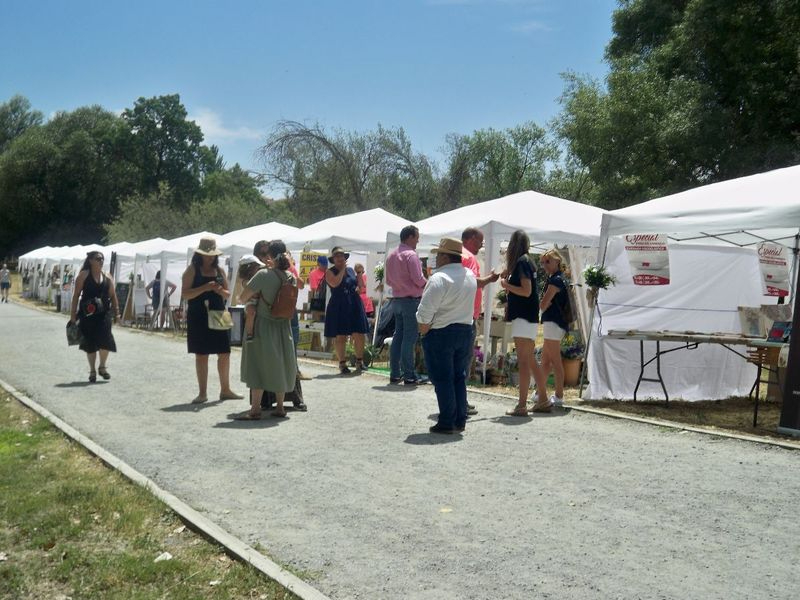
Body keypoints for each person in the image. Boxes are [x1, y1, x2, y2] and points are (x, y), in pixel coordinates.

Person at [416, 237, 477, 434]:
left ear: (444, 256)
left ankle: (446, 421)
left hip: (441, 332)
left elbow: (424, 314)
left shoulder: (439, 278)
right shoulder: (470, 275)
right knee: (459, 377)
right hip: (465, 329)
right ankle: (459, 420)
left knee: (442, 378)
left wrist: (424, 331)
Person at [236, 240, 298, 419]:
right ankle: (280, 407)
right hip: (283, 326)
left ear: (269, 256)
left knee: (257, 364)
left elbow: (242, 298)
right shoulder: (290, 277)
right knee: (280, 364)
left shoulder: (263, 275)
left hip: (263, 325)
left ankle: (255, 409)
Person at [181, 237, 243, 404]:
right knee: (201, 354)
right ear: (199, 254)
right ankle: (202, 393)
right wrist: (205, 288)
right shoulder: (192, 270)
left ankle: (225, 389)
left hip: (218, 313)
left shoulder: (220, 271)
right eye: (207, 255)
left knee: (224, 352)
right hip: (198, 315)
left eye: (212, 255)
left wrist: (219, 290)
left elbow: (228, 294)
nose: (210, 258)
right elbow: (185, 294)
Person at [499, 230, 550, 416]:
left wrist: (507, 286)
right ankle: (543, 399)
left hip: (523, 316)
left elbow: (526, 291)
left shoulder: (522, 262)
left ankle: (521, 405)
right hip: (527, 316)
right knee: (529, 360)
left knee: (524, 362)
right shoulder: (527, 261)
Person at [461, 227, 500, 414]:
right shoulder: (468, 257)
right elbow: (471, 281)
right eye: (480, 241)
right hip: (467, 315)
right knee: (464, 360)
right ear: (470, 239)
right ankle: (461, 401)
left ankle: (459, 399)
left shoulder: (461, 255)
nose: (481, 245)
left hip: (464, 313)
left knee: (462, 360)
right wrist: (490, 279)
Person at [385, 225, 428, 385]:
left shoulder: (391, 255)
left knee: (399, 336)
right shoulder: (411, 255)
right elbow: (418, 279)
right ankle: (409, 375)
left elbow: (388, 280)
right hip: (410, 301)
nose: (418, 240)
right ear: (410, 237)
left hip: (396, 300)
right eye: (417, 237)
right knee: (409, 338)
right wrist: (429, 284)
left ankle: (395, 373)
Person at [69, 251, 119, 382]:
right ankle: (92, 370)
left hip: (104, 315)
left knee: (106, 341)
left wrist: (117, 313)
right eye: (98, 258)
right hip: (88, 315)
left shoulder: (108, 276)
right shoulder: (83, 275)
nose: (101, 261)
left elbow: (113, 296)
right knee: (90, 343)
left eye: (102, 258)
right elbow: (76, 296)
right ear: (90, 260)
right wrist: (72, 315)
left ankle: (102, 367)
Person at [325, 246, 370, 374]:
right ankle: (342, 364)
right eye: (337, 256)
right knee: (341, 336)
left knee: (359, 333)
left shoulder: (350, 270)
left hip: (353, 302)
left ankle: (359, 362)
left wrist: (360, 274)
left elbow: (360, 288)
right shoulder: (330, 271)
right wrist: (343, 269)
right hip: (339, 304)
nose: (340, 258)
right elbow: (335, 283)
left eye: (342, 256)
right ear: (333, 259)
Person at [539, 248, 570, 408]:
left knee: (554, 361)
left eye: (548, 261)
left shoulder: (555, 280)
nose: (544, 265)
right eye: (543, 262)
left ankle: (559, 395)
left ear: (557, 261)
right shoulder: (559, 278)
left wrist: (542, 304)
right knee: (546, 360)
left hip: (553, 322)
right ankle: (540, 392)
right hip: (555, 323)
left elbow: (543, 304)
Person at [237, 255, 267, 340]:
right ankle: (249, 332)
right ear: (249, 269)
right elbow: (253, 293)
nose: (258, 270)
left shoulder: (256, 278)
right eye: (256, 268)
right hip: (250, 302)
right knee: (251, 312)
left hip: (259, 301)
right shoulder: (246, 281)